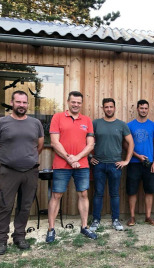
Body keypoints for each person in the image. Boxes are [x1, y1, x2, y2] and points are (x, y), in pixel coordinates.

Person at [46, 91, 96, 243]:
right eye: (73, 102)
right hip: (62, 164)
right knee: (56, 195)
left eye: (78, 102)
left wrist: (77, 158)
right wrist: (69, 158)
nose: (76, 105)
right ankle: (51, 229)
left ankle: (85, 226)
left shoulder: (86, 120)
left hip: (82, 165)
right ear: (68, 102)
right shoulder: (58, 117)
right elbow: (55, 142)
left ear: (82, 104)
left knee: (83, 194)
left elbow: (91, 144)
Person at [0, 91, 44, 254]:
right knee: (4, 206)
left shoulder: (35, 123)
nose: (21, 105)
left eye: (24, 102)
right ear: (12, 103)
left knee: (25, 206)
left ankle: (19, 236)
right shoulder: (2, 122)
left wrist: (27, 159)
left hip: (30, 172)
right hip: (8, 172)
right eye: (18, 102)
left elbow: (39, 146)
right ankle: (1, 240)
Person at [89, 98, 134, 231]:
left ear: (115, 108)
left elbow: (131, 143)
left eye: (111, 107)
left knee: (114, 194)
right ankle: (96, 220)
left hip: (115, 165)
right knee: (98, 193)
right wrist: (89, 157)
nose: (109, 109)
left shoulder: (121, 125)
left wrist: (126, 160)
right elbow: (87, 141)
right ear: (103, 108)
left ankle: (115, 220)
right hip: (99, 164)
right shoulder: (96, 123)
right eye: (106, 107)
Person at [126, 100, 154, 226]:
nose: (143, 110)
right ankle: (132, 217)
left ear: (148, 109)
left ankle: (148, 216)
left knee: (149, 191)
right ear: (137, 109)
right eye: (141, 108)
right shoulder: (130, 126)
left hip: (149, 163)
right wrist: (137, 156)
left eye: (146, 108)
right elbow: (126, 145)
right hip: (134, 162)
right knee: (132, 190)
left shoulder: (153, 126)